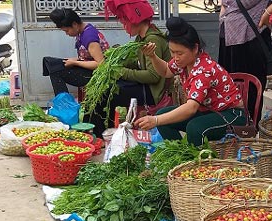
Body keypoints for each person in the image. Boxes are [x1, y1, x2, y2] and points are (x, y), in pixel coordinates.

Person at [135, 16, 247, 146]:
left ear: (195, 49)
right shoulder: (184, 62)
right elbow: (166, 71)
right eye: (172, 52)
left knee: (194, 127)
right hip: (208, 111)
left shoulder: (204, 70)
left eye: (180, 53)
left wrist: (155, 120)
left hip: (232, 115)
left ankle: (195, 161)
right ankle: (179, 153)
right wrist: (152, 56)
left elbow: (191, 108)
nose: (175, 57)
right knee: (163, 115)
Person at [85, 0, 171, 137]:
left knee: (107, 94)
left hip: (153, 92)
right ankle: (102, 132)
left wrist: (121, 72)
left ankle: (98, 135)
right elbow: (135, 61)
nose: (124, 26)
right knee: (106, 88)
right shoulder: (141, 38)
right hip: (145, 86)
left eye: (125, 22)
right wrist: (116, 60)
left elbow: (153, 76)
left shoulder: (152, 40)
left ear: (135, 20)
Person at [218, 0, 272, 124]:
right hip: (227, 36)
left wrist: (267, 13)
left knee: (250, 93)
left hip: (250, 36)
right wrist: (222, 16)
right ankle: (230, 134)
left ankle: (249, 133)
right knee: (228, 90)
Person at [42, 8, 109, 96]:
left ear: (75, 24)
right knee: (50, 62)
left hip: (97, 75)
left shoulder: (89, 37)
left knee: (56, 71)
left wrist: (75, 63)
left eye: (67, 30)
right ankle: (63, 102)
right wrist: (76, 60)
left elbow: (101, 64)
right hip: (88, 69)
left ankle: (64, 104)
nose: (67, 34)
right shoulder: (83, 32)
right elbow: (88, 57)